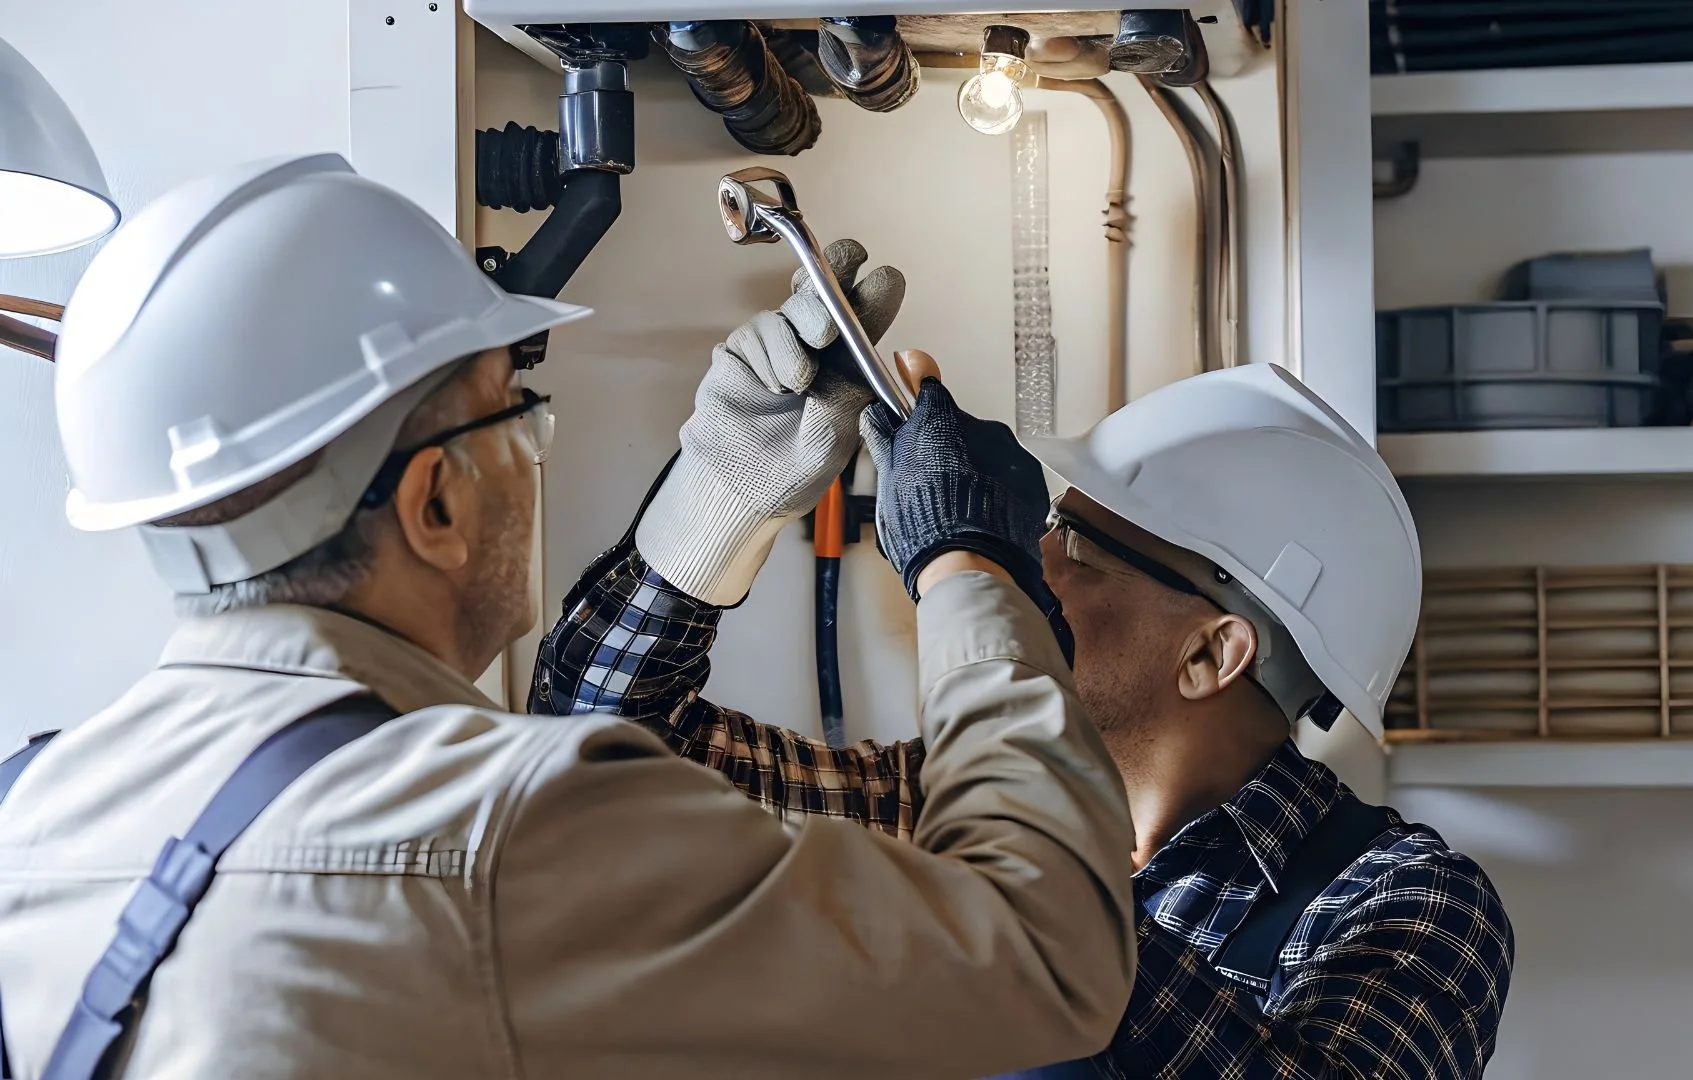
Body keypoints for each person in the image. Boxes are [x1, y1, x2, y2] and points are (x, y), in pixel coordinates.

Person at [0, 154, 1140, 1079]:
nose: (530, 448)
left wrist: (723, 496)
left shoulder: (26, 813)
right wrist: (965, 559)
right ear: (434, 501)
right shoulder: (503, 828)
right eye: (517, 410)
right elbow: (1044, 958)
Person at [533, 357, 1518, 1078]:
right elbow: (585, 769)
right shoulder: (934, 803)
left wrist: (970, 574)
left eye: (1077, 549)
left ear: (1212, 654)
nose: (1034, 564)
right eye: (1041, 531)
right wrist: (721, 502)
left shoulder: (1408, 904)